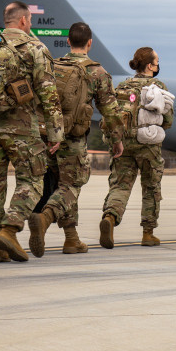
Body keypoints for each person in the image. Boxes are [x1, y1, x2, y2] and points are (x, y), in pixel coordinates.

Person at [0, 1, 64, 262]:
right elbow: (48, 93)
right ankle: (10, 230)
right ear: (24, 21)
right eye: (31, 21)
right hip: (23, 130)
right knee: (33, 180)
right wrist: (56, 133)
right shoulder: (35, 48)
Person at [28, 22, 123, 256]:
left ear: (68, 42)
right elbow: (110, 112)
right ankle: (44, 218)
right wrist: (116, 141)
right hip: (73, 139)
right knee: (71, 184)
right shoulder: (97, 72)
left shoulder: (52, 66)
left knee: (61, 184)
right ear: (90, 43)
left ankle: (71, 239)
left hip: (47, 137)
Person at [98, 47, 173, 248]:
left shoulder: (122, 86)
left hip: (124, 143)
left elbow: (112, 114)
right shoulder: (158, 86)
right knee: (151, 187)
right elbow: (168, 120)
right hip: (148, 145)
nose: (158, 65)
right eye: (156, 62)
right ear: (150, 65)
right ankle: (148, 234)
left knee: (120, 185)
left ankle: (110, 218)